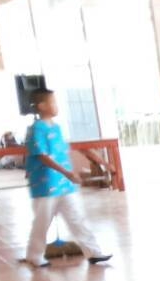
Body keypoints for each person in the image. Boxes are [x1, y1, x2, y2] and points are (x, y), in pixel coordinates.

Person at [20, 89, 111, 267]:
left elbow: (62, 153)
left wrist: (71, 173)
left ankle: (93, 252)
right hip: (45, 185)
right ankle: (34, 256)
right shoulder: (36, 129)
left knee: (77, 218)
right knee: (42, 222)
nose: (56, 106)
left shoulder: (57, 128)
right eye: (52, 102)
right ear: (42, 106)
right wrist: (67, 173)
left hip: (65, 185)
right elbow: (42, 156)